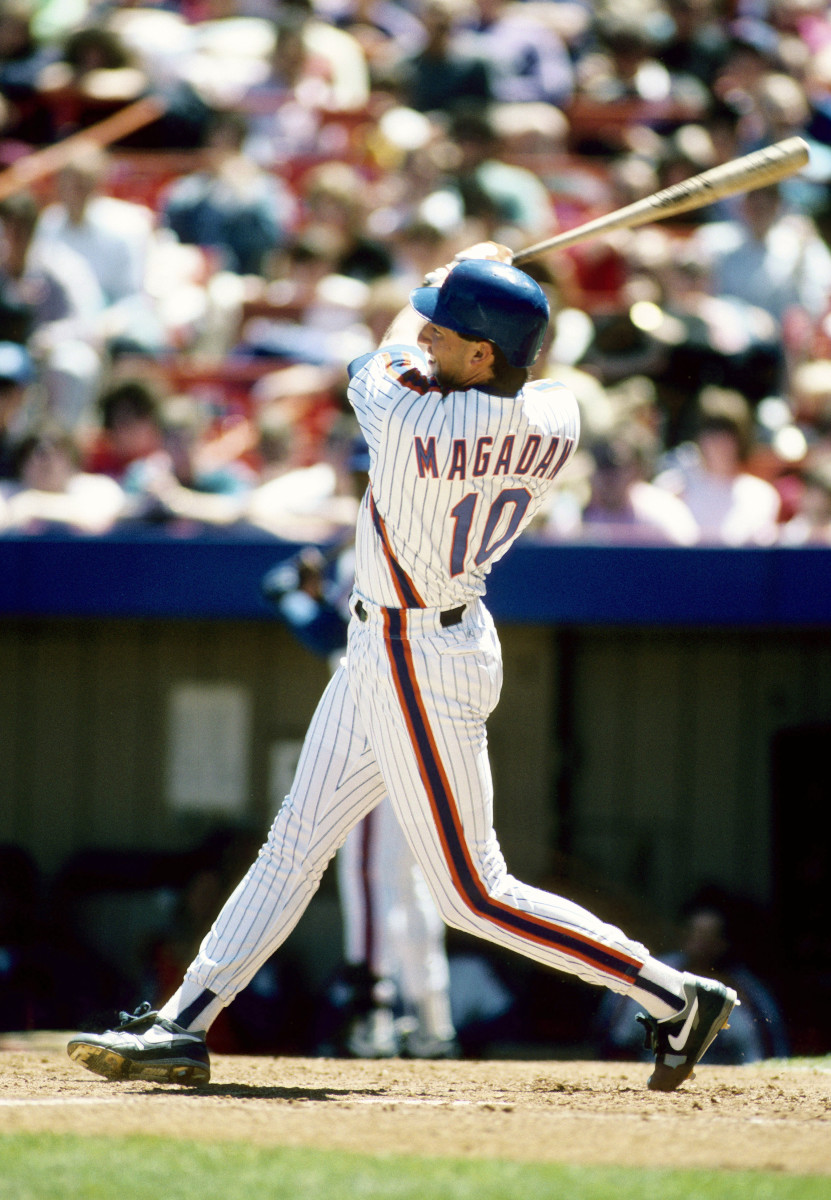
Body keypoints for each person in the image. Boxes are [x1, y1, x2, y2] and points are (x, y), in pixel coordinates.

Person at [66, 242, 738, 1094]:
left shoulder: (412, 413)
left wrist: (468, 266)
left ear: (484, 353)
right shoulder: (558, 413)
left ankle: (670, 993)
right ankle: (182, 1022)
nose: (428, 333)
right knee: (294, 843)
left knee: (473, 894)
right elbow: (518, 365)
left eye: (449, 329)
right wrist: (484, 287)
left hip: (419, 656)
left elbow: (377, 349)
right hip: (402, 642)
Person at [261, 439, 457, 1059]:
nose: (361, 483)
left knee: (372, 872)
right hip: (426, 718)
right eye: (357, 473)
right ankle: (432, 1018)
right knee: (412, 881)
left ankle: (372, 1004)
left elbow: (334, 634)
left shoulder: (373, 542)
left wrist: (295, 600)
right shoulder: (417, 532)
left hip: (378, 724)